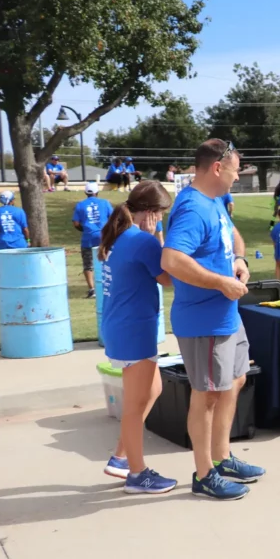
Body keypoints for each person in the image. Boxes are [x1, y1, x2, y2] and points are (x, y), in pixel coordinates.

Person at [162, 139, 264, 500]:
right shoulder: (191, 208)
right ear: (218, 167)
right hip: (203, 320)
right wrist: (220, 282)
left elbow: (232, 236)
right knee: (205, 396)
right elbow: (172, 260)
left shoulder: (215, 201)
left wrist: (239, 261)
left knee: (234, 382)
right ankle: (204, 474)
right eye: (236, 170)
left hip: (226, 317)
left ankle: (223, 458)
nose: (238, 177)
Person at [97, 181, 178, 494]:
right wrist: (158, 238)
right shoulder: (143, 242)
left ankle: (120, 458)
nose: (161, 220)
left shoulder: (122, 236)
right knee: (135, 405)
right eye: (160, 215)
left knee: (153, 388)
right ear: (150, 213)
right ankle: (137, 473)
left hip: (122, 325)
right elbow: (168, 277)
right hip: (134, 328)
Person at [73, 182, 113, 299]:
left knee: (88, 265)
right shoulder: (105, 203)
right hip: (104, 237)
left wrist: (84, 228)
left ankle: (92, 289)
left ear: (85, 192)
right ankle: (109, 287)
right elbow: (113, 218)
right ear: (97, 192)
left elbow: (76, 223)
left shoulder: (80, 205)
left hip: (88, 238)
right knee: (108, 261)